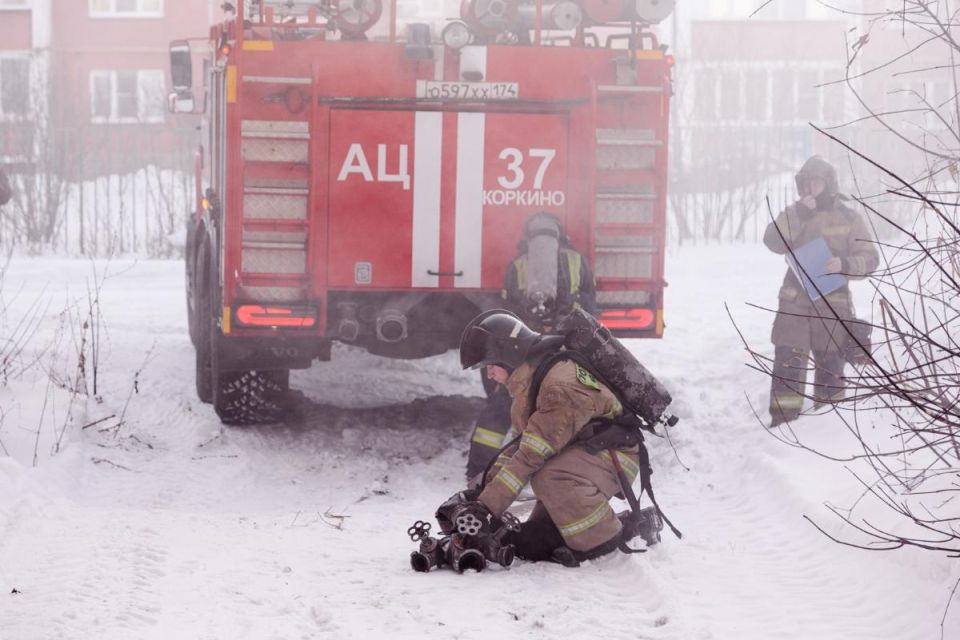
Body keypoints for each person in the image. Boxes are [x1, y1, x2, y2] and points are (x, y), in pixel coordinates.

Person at [458, 310, 653, 567]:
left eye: (490, 366)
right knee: (535, 539)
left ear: (510, 355)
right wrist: (479, 494)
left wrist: (487, 509)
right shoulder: (530, 386)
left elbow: (529, 457)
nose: (490, 374)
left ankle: (613, 535)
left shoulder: (559, 388)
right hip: (582, 454)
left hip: (615, 456)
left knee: (550, 478)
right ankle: (578, 531)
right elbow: (519, 448)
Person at [465, 211, 596, 487]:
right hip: (565, 350)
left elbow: (507, 313)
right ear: (560, 234)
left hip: (526, 349)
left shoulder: (517, 265)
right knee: (563, 407)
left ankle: (477, 473)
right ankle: (567, 470)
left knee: (500, 409)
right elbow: (590, 308)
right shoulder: (577, 262)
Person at [764, 155, 879, 427]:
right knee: (787, 367)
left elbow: (870, 258)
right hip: (794, 304)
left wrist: (845, 264)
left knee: (830, 369)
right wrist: (798, 213)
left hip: (833, 305)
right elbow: (772, 241)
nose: (808, 189)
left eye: (814, 183)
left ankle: (827, 428)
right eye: (804, 183)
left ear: (828, 184)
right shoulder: (795, 213)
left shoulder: (849, 217)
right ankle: (783, 425)